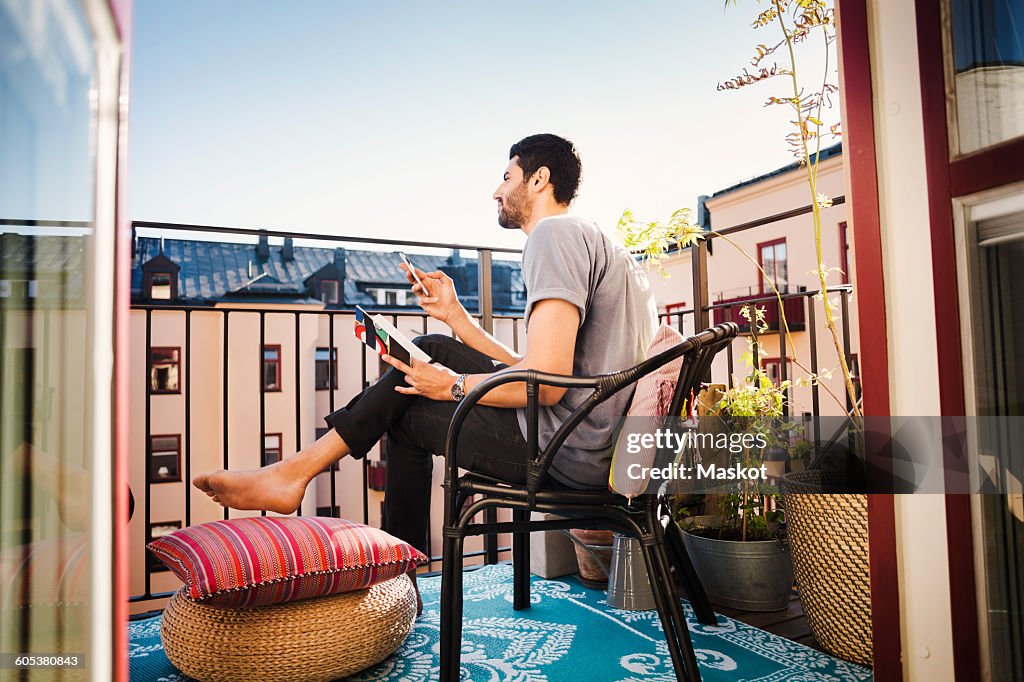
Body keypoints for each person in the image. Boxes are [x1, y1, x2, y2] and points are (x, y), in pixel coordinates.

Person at [193, 133, 657, 604]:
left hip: (564, 450)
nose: (495, 191)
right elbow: (535, 367)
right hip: (590, 442)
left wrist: (452, 385)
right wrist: (457, 317)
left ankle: (383, 570)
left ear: (539, 180)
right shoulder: (601, 244)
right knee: (433, 346)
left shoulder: (553, 237)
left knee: (409, 412)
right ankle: (302, 481)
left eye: (506, 176)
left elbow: (547, 384)